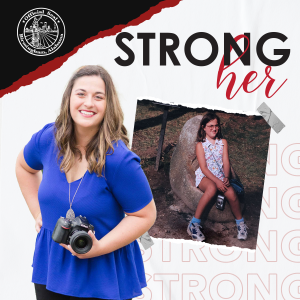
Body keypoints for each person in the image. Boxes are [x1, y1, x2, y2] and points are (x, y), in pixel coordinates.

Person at [15, 65, 156, 300]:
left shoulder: (119, 160)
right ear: (69, 98)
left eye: (98, 97)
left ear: (108, 105)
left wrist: (98, 247)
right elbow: (23, 167)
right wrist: (37, 212)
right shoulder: (48, 139)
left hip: (102, 273)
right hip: (52, 267)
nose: (88, 103)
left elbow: (145, 215)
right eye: (81, 94)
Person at [187, 112, 248, 242]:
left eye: (216, 125)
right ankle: (194, 224)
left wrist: (226, 177)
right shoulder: (200, 145)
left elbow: (226, 162)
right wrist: (217, 182)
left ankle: (241, 224)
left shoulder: (223, 142)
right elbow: (203, 167)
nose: (214, 128)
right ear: (203, 127)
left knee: (231, 194)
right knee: (212, 189)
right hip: (205, 176)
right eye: (210, 126)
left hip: (220, 176)